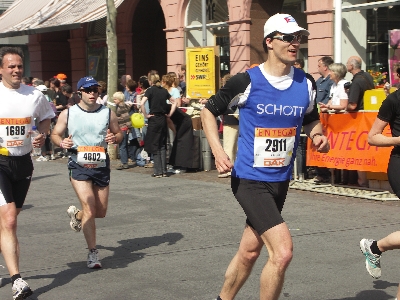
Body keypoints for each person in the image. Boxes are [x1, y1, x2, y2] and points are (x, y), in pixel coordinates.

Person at [200, 13, 330, 300]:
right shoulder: (246, 81)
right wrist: (218, 150)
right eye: (288, 38)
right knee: (282, 253)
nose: (295, 43)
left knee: (249, 252)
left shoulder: (306, 83)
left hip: (281, 180)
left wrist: (318, 135)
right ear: (270, 42)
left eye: (298, 38)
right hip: (250, 180)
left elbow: (311, 118)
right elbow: (208, 111)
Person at [50, 76, 122, 269]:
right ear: (79, 92)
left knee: (100, 211)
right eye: (88, 90)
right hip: (78, 163)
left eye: (95, 90)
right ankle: (93, 253)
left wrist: (114, 138)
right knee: (90, 206)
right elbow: (55, 134)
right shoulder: (69, 113)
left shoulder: (108, 113)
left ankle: (78, 215)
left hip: (100, 163)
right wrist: (61, 142)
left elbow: (119, 133)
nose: (92, 93)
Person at [0, 46, 55, 299]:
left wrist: (41, 135)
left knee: (8, 221)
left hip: (23, 163)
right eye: (11, 66)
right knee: (9, 219)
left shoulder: (34, 94)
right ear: (1, 69)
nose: (16, 70)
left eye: (19, 66)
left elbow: (46, 118)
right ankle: (17, 280)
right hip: (0, 161)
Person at [360, 87, 400, 300]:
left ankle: (375, 247)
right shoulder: (394, 99)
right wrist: (399, 140)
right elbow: (373, 137)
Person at [140, 73, 177, 177]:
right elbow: (174, 102)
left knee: (155, 145)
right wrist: (169, 114)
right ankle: (164, 171)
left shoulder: (150, 90)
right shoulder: (164, 91)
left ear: (150, 81)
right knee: (162, 144)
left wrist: (146, 115)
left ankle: (158, 171)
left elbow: (142, 103)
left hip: (154, 118)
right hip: (163, 118)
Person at [346, 56, 374, 187]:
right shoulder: (367, 77)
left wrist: (344, 108)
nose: (346, 65)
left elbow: (352, 105)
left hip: (359, 120)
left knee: (359, 151)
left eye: (347, 63)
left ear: (352, 66)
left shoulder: (356, 82)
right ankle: (367, 179)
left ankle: (361, 181)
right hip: (369, 119)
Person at [313, 56, 334, 183]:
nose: (318, 68)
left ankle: (325, 174)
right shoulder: (319, 81)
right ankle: (318, 171)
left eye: (319, 65)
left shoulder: (331, 81)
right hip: (316, 116)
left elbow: (329, 98)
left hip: (326, 118)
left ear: (325, 67)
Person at [113, 91, 138, 170]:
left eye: (115, 99)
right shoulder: (123, 106)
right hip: (123, 128)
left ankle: (124, 163)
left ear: (119, 99)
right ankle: (124, 161)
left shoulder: (120, 107)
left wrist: (129, 127)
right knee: (123, 145)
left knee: (122, 146)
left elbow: (126, 117)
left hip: (123, 128)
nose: (114, 100)